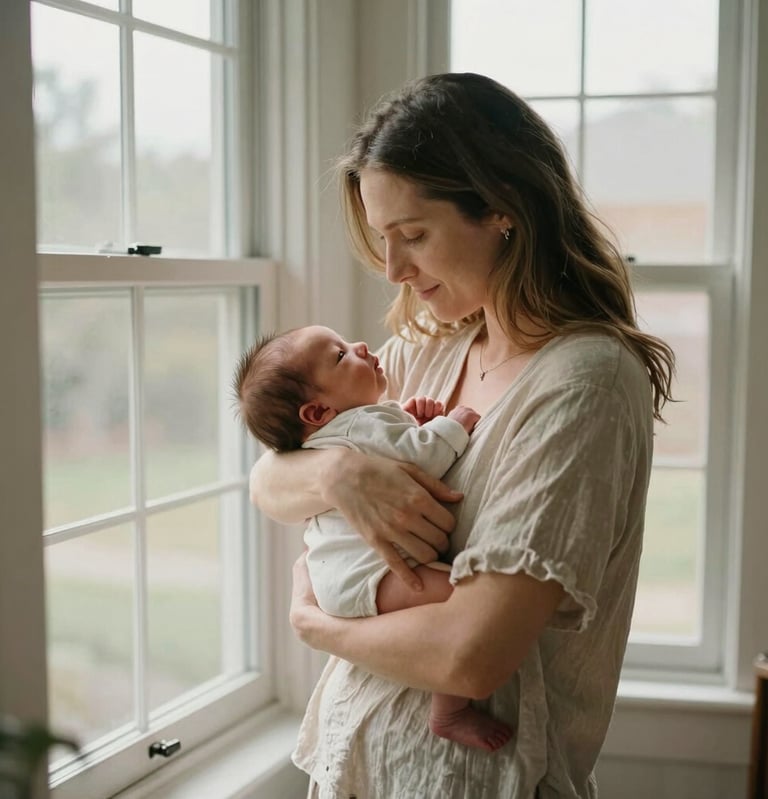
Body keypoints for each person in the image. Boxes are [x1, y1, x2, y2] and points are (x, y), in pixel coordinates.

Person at [250, 72, 675, 799]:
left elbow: (471, 657)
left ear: (503, 209)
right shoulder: (432, 346)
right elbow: (269, 476)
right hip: (354, 768)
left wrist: (317, 624)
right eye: (384, 240)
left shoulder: (584, 383)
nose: (393, 269)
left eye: (412, 235)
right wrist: (338, 477)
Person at [233, 324, 512, 752]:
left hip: (339, 580)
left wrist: (411, 421)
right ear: (316, 412)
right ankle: (449, 712)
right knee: (457, 601)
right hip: (369, 576)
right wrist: (452, 425)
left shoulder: (335, 435)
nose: (360, 345)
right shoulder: (360, 423)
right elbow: (425, 456)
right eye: (341, 355)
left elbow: (394, 450)